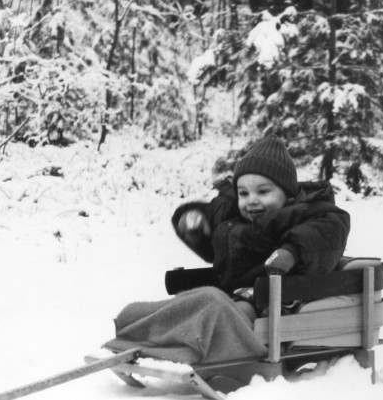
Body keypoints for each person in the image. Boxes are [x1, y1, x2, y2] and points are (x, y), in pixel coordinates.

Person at [104, 135, 350, 364]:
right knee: (189, 302)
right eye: (243, 193)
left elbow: (326, 231)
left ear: (287, 193)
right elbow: (217, 230)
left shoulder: (303, 213)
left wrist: (292, 250)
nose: (251, 200)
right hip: (233, 293)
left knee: (211, 303)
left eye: (263, 191)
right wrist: (195, 223)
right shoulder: (235, 221)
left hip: (272, 300)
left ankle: (185, 346)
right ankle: (135, 331)